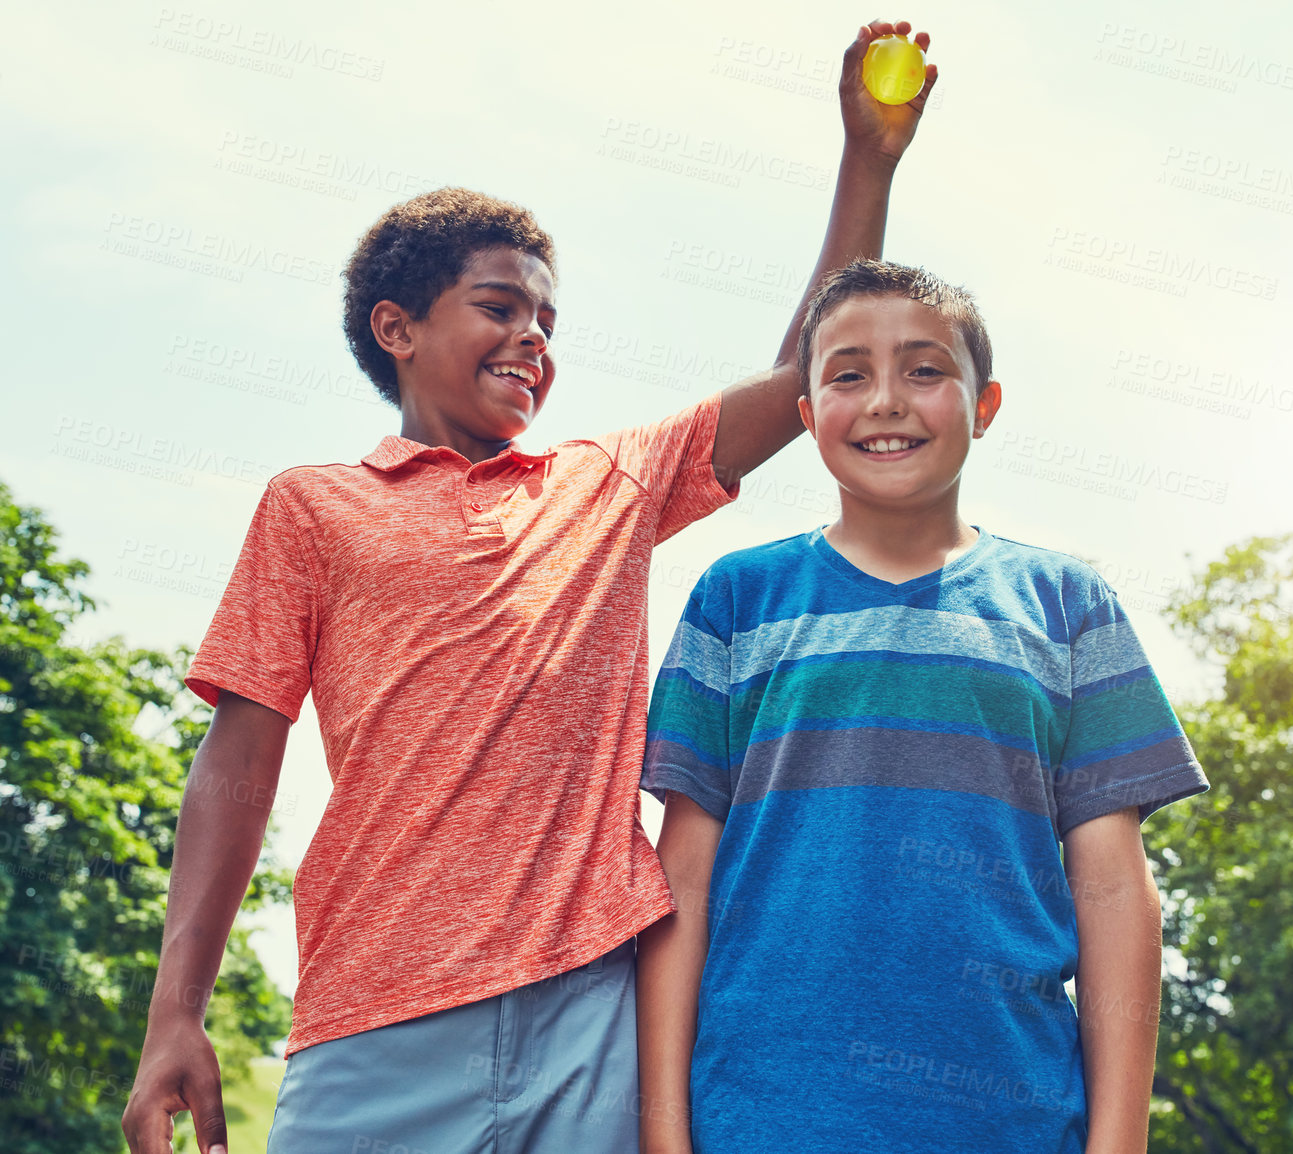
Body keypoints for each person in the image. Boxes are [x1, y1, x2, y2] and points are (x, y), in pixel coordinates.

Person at [120, 20, 941, 1154]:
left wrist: (868, 161)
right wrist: (177, 1011)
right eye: (500, 306)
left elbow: (805, 378)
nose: (532, 339)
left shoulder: (606, 479)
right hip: (374, 1022)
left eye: (547, 320)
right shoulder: (310, 506)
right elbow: (238, 758)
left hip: (592, 1015)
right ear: (396, 328)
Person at [636, 259, 1210, 1154]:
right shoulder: (735, 599)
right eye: (848, 374)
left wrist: (1120, 1141)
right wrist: (663, 1134)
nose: (886, 401)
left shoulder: (1067, 606)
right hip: (759, 1118)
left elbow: (1112, 889)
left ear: (985, 406)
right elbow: (683, 883)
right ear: (808, 416)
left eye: (926, 369)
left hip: (1011, 1119)